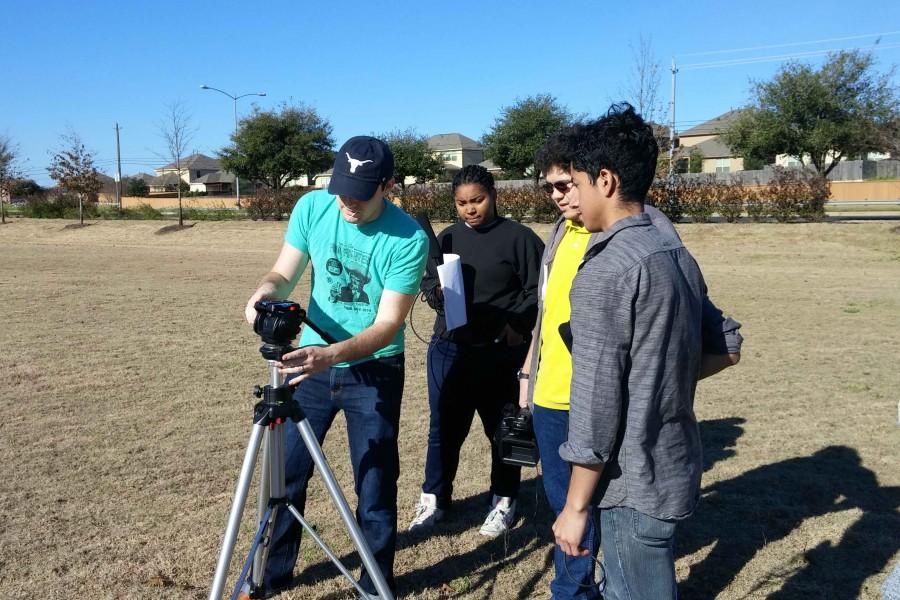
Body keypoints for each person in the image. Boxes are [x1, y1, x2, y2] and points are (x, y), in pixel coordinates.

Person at [519, 128, 743, 599]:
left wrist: (576, 507)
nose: (568, 196)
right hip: (670, 470)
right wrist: (655, 381)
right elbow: (727, 345)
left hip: (630, 484)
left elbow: (598, 408)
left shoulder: (605, 272)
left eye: (574, 182)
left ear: (605, 181)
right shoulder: (672, 252)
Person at [243, 136, 428, 598]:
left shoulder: (409, 238)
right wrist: (264, 293)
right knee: (286, 473)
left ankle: (375, 584)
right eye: (341, 189)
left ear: (387, 185)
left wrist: (334, 353)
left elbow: (387, 325)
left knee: (375, 480)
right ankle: (272, 573)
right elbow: (283, 271)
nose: (347, 202)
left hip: (374, 369)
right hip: (308, 366)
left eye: (360, 193)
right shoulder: (313, 206)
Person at [407, 164, 545, 537]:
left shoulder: (520, 238)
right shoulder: (447, 238)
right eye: (462, 203)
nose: (470, 209)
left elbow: (539, 292)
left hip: (500, 352)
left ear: (494, 195)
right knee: (444, 430)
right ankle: (434, 499)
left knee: (502, 430)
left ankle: (503, 500)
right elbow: (428, 279)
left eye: (478, 200)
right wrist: (434, 292)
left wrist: (514, 326)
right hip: (449, 350)